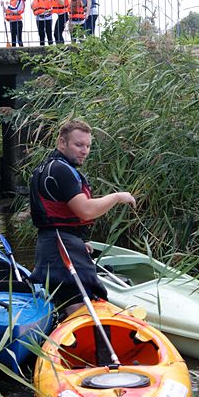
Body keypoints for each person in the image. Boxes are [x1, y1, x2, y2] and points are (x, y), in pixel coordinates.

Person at [28, 119, 136, 315]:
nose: (84, 150)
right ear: (62, 143)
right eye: (78, 145)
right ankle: (83, 343)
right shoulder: (60, 170)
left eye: (87, 146)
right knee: (77, 305)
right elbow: (85, 210)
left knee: (69, 300)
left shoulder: (49, 168)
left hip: (56, 244)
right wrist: (118, 197)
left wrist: (76, 242)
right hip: (60, 247)